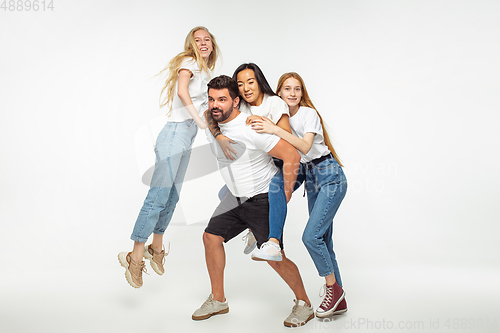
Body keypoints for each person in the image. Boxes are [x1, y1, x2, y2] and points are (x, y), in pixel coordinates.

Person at [193, 75, 314, 327]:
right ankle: (219, 300)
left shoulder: (251, 128)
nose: (215, 105)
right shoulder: (213, 120)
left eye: (222, 99)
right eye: (212, 99)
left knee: (274, 257)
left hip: (261, 197)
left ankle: (304, 303)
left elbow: (291, 154)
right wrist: (218, 136)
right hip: (234, 197)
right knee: (210, 237)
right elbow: (207, 115)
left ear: (236, 101)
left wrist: (285, 195)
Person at [118, 26, 220, 288]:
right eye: (197, 40)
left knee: (172, 196)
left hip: (186, 137)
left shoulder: (207, 70)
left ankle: (157, 246)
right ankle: (135, 256)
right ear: (191, 44)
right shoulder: (189, 63)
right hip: (175, 133)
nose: (202, 43)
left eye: (206, 39)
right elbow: (182, 92)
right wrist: (198, 120)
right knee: (158, 195)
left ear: (212, 43)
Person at [249, 72, 348, 317]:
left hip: (329, 175)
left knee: (311, 237)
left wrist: (273, 129)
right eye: (287, 89)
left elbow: (304, 147)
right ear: (279, 93)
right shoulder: (281, 117)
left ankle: (333, 290)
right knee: (323, 240)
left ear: (302, 93)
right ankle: (340, 299)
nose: (292, 93)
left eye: (297, 89)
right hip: (309, 176)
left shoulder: (307, 114)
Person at [205, 63, 291, 257]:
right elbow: (208, 114)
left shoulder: (273, 103)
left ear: (259, 82)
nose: (246, 88)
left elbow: (288, 143)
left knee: (277, 195)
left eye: (250, 82)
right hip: (262, 155)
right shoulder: (240, 103)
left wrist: (268, 127)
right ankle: (251, 227)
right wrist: (218, 135)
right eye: (240, 83)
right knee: (226, 193)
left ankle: (273, 242)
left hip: (279, 159)